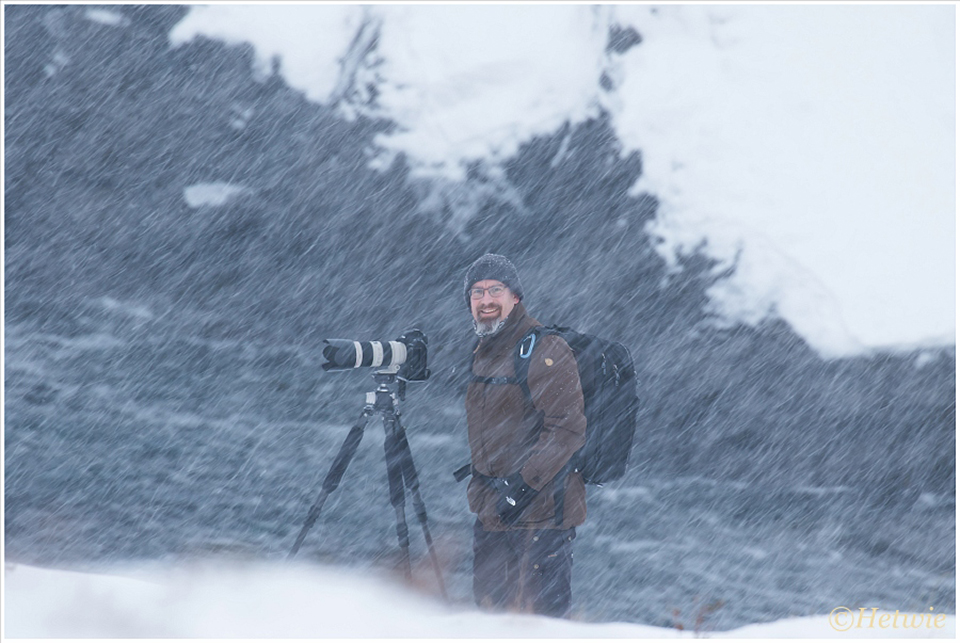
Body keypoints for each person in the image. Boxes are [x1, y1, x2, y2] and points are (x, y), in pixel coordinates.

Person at [461, 253, 587, 618]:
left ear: (515, 296)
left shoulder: (544, 349)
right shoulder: (484, 349)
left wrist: (519, 489)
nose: (486, 300)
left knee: (539, 625)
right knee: (488, 618)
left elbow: (567, 428)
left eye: (495, 290)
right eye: (477, 292)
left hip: (541, 518)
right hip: (491, 512)